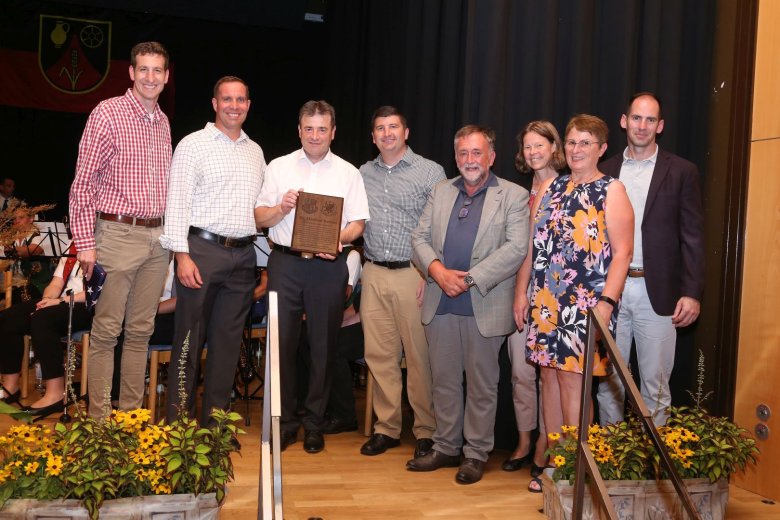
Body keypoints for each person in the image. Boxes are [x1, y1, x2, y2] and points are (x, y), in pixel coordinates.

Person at [407, 125, 529, 485]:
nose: (469, 160)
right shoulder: (441, 190)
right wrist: (437, 271)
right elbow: (419, 237)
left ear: (491, 156)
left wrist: (470, 278)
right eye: (463, 153)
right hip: (440, 299)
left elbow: (516, 248)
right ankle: (446, 447)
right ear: (455, 157)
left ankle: (475, 454)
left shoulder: (513, 195)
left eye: (477, 153)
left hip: (484, 304)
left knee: (481, 385)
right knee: (443, 382)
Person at [515, 114, 633, 459]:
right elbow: (531, 246)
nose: (576, 149)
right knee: (547, 379)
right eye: (571, 142)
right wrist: (521, 293)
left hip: (586, 303)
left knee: (573, 382)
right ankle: (557, 462)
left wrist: (607, 302)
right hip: (546, 300)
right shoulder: (550, 187)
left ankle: (578, 468)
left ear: (602, 149)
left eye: (585, 143)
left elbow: (624, 253)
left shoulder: (612, 189)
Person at [255, 100, 369, 454]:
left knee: (323, 346)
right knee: (283, 345)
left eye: (322, 129)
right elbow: (261, 218)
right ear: (299, 130)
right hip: (286, 264)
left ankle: (315, 423)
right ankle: (287, 422)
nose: (315, 135)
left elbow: (358, 224)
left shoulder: (349, 172)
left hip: (327, 266)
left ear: (333, 132)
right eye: (309, 128)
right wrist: (281, 208)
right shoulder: (279, 166)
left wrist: (340, 239)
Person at [69, 41, 172, 417]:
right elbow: (83, 184)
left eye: (157, 70)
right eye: (143, 69)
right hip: (115, 235)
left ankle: (130, 420)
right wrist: (85, 245)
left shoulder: (163, 121)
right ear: (131, 73)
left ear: (166, 76)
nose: (150, 77)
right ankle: (99, 425)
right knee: (107, 331)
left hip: (157, 240)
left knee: (141, 331)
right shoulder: (107, 113)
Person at [160, 76, 266, 425]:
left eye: (240, 99)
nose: (234, 105)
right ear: (215, 103)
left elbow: (263, 208)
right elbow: (176, 202)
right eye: (227, 99)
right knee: (189, 344)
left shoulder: (256, 151)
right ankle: (180, 429)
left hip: (243, 257)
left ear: (248, 105)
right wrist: (181, 255)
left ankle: (214, 431)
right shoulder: (193, 144)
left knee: (227, 348)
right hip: (201, 252)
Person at [597, 93, 705, 426]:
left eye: (650, 120)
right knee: (607, 383)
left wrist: (692, 291)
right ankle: (610, 464)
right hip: (610, 293)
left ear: (660, 126)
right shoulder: (605, 170)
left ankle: (654, 473)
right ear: (623, 121)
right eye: (636, 118)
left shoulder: (683, 171)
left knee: (655, 388)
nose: (642, 126)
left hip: (657, 294)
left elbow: (693, 237)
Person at [358, 106, 443, 458]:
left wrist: (430, 271)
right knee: (379, 357)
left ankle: (425, 430)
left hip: (415, 274)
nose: (387, 133)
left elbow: (441, 224)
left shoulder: (430, 172)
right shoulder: (362, 173)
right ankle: (387, 428)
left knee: (419, 357)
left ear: (405, 132)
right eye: (380, 128)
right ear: (373, 136)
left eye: (394, 127)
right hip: (374, 271)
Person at [505, 121, 566, 492]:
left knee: (553, 377)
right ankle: (525, 440)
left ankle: (548, 443)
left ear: (554, 146)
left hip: (556, 296)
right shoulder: (516, 192)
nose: (533, 152)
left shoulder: (566, 184)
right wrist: (519, 291)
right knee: (520, 373)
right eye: (527, 146)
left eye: (539, 144)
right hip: (521, 291)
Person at [0, 252, 90, 415]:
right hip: (61, 302)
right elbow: (56, 284)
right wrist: (47, 300)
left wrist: (58, 302)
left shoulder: (106, 245)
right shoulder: (74, 247)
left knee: (42, 320)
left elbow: (96, 292)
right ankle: (10, 387)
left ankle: (55, 392)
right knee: (9, 318)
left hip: (88, 305)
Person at [323, 247, 363, 433]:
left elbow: (361, 315)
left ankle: (345, 415)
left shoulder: (352, 256)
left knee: (333, 346)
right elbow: (353, 310)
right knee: (321, 340)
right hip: (364, 322)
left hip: (375, 328)